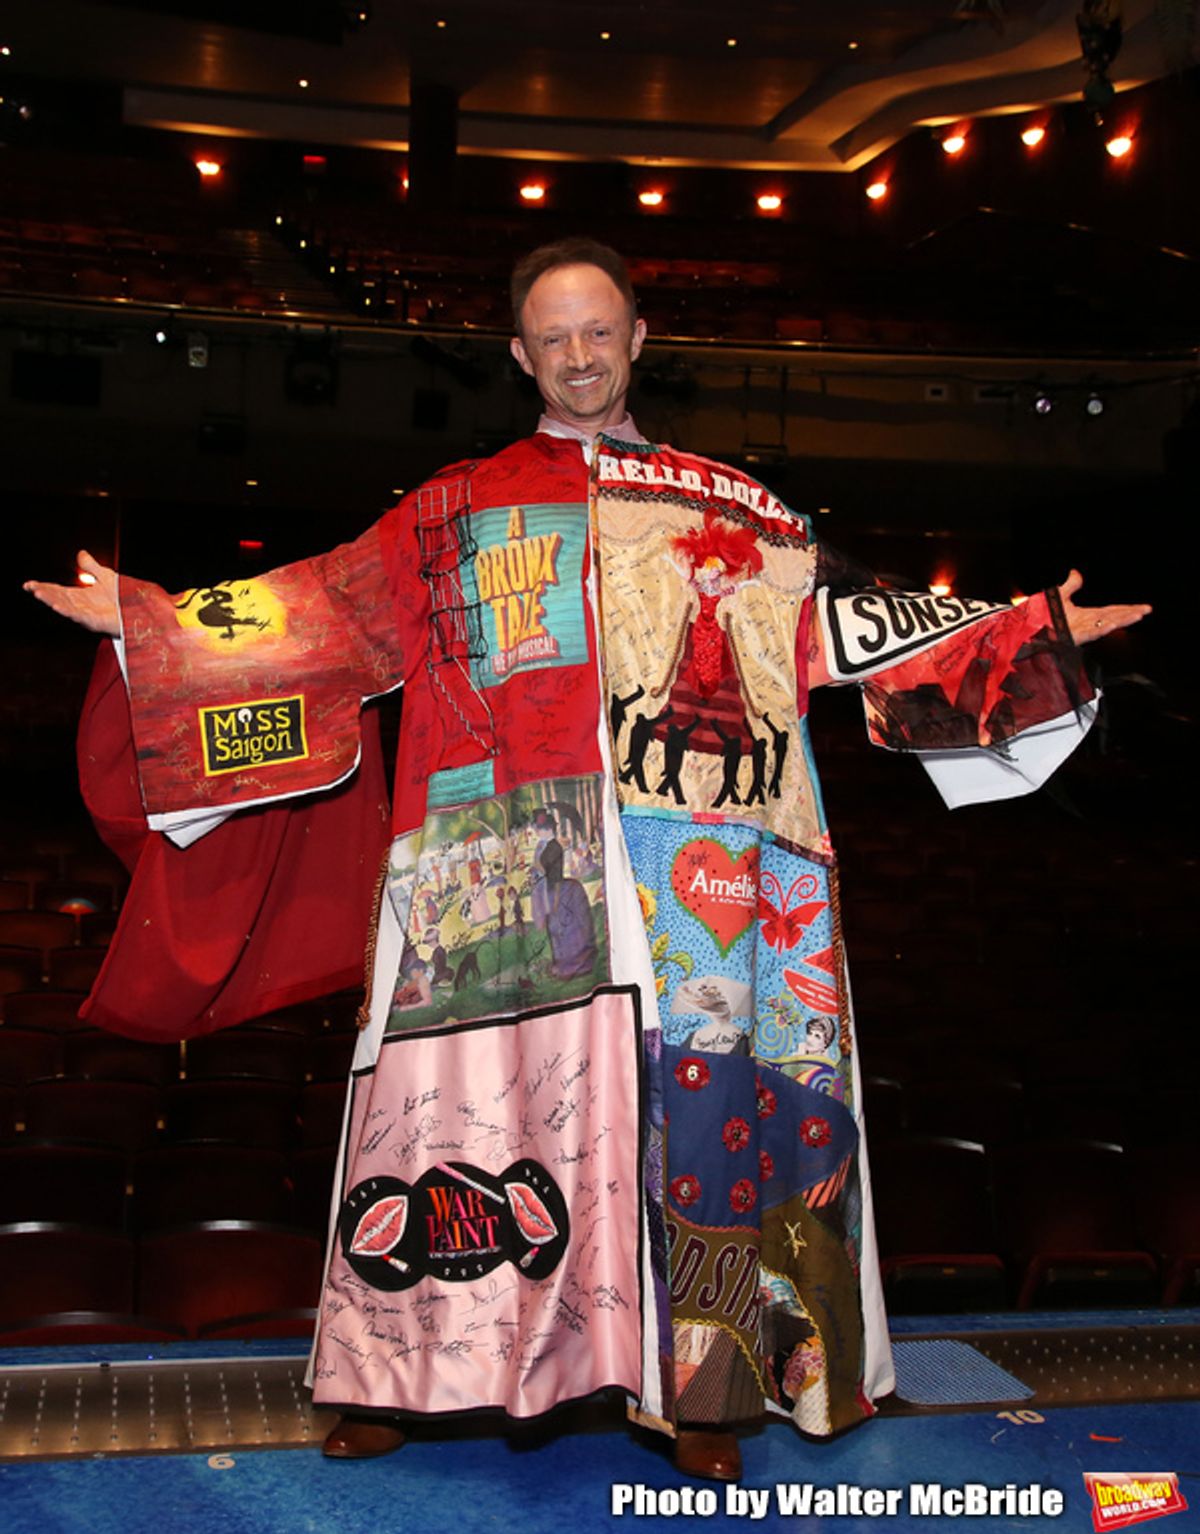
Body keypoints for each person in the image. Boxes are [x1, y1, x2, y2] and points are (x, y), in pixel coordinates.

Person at [25, 238, 1150, 1482]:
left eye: (596, 330)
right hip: (491, 867)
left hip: (695, 875)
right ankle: (403, 1373)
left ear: (636, 337)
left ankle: (706, 1388)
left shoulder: (737, 508)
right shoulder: (452, 506)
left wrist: (1031, 635)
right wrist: (149, 621)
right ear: (519, 354)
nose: (576, 353)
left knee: (705, 1119)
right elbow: (324, 616)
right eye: (551, 336)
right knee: (446, 1129)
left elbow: (853, 626)